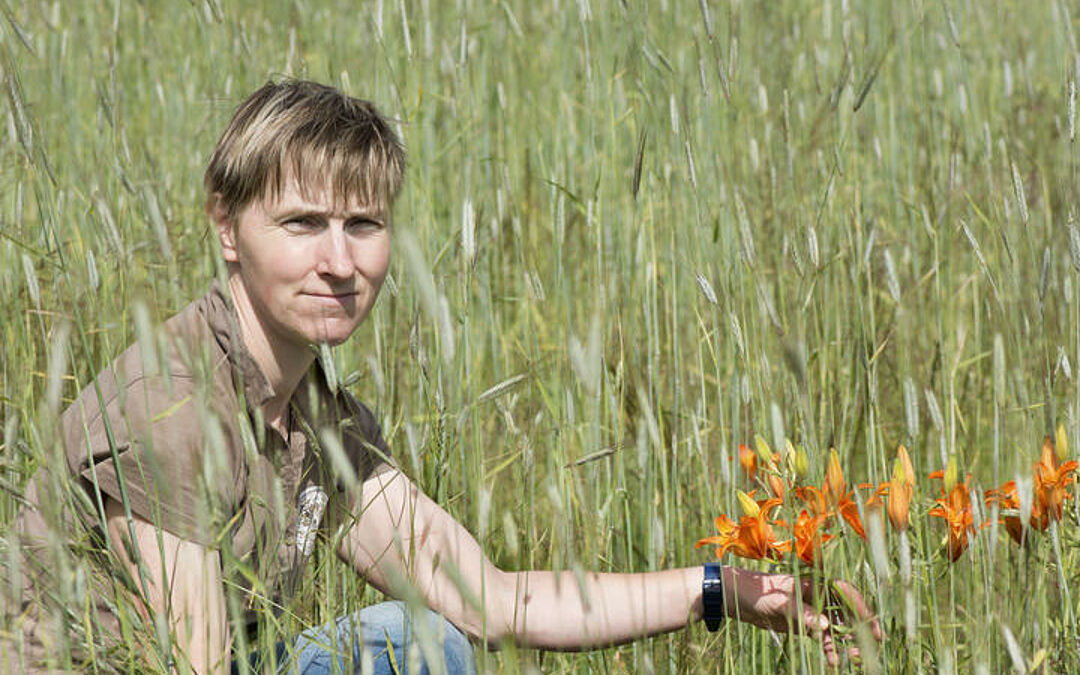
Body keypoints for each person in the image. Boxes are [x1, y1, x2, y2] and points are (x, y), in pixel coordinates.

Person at [5, 79, 881, 674]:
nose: (340, 260)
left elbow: (493, 599)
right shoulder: (173, 410)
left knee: (427, 637)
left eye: (365, 223)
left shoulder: (315, 419)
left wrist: (721, 586)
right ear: (227, 227)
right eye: (303, 222)